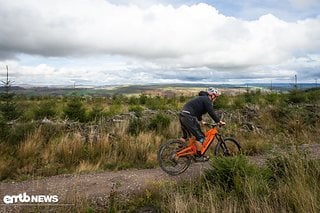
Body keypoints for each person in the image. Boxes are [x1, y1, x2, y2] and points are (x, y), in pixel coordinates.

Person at [179, 87, 225, 161]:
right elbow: (211, 112)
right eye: (216, 96)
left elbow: (198, 112)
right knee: (200, 137)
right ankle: (199, 156)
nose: (215, 99)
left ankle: (178, 153)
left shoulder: (201, 98)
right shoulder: (207, 100)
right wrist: (218, 121)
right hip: (189, 117)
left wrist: (201, 121)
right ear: (212, 95)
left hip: (183, 115)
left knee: (185, 136)